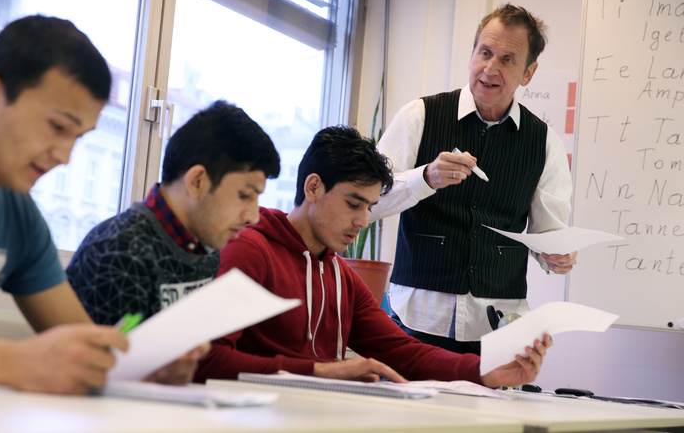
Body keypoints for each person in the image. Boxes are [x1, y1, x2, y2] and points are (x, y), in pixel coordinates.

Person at [0, 15, 195, 394]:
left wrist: (144, 367)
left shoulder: (18, 215)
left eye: (77, 137)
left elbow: (80, 339)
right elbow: (24, 361)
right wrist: (12, 361)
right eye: (57, 127)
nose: (64, 156)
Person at [194, 125, 551, 387]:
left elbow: (405, 352)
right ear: (313, 187)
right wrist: (321, 371)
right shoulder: (251, 251)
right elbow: (207, 358)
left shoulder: (339, 275)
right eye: (353, 203)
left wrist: (483, 369)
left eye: (370, 207)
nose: (363, 221)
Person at [369, 3, 577, 355]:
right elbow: (369, 201)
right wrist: (426, 178)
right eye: (485, 52)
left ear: (528, 73)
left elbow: (548, 235)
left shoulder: (544, 143)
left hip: (499, 328)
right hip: (416, 317)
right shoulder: (418, 116)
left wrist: (556, 256)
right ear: (471, 56)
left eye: (508, 59)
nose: (490, 68)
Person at [67, 100, 280, 328]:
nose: (253, 216)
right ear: (197, 181)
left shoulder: (207, 253)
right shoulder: (118, 252)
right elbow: (91, 360)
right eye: (245, 195)